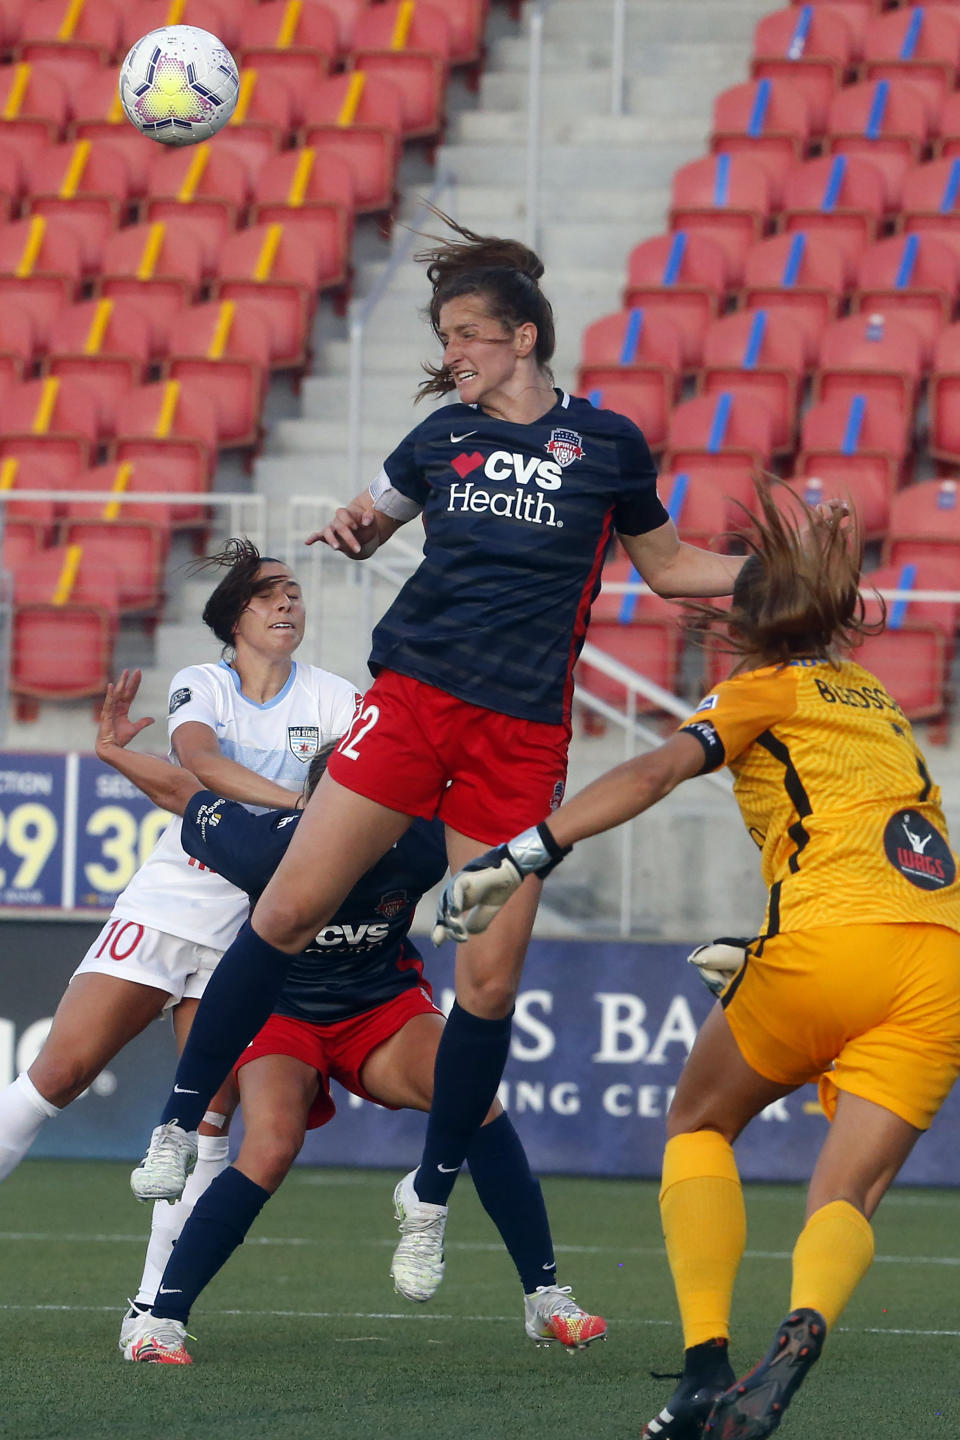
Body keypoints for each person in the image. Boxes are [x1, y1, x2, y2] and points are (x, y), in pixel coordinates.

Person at [131, 213, 748, 1305]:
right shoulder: (438, 440)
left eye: (467, 332)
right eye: (445, 334)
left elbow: (671, 567)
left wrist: (792, 583)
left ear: (521, 335)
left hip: (521, 739)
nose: (452, 351)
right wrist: (355, 530)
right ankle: (180, 1120)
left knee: (490, 980)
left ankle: (430, 1192)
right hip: (412, 706)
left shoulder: (606, 445)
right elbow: (377, 515)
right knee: (284, 913)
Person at [432, 483, 960, 1440]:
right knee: (845, 1195)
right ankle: (803, 1325)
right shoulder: (879, 700)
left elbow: (652, 770)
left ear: (746, 630)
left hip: (830, 944)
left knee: (699, 1122)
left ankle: (706, 1369)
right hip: (941, 964)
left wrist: (525, 852)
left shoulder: (762, 688)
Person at [94, 676, 606, 1364]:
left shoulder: (421, 840)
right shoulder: (271, 842)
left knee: (474, 1099)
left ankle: (546, 1299)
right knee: (271, 1145)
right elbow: (184, 793)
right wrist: (111, 750)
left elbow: (490, 797)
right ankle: (162, 1319)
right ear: (321, 806)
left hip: (381, 1010)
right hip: (280, 1016)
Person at [0, 539, 360, 1358]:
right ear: (233, 617)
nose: (287, 607)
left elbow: (365, 784)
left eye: (296, 595)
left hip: (255, 929)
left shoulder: (337, 699)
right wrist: (300, 809)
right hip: (170, 903)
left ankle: (152, 1316)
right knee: (57, 1074)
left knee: (206, 1124)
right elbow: (194, 764)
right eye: (269, 596)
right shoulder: (205, 685)